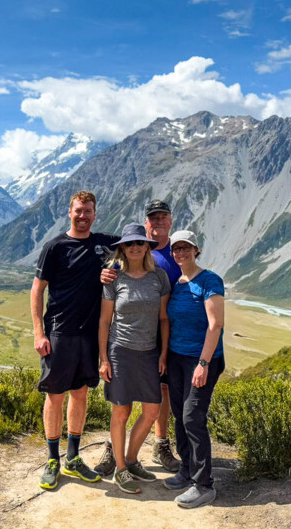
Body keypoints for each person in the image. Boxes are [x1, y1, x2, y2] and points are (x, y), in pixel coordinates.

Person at [31, 190, 120, 490]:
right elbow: (37, 290)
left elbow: (135, 251)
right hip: (59, 332)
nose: (83, 216)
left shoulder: (105, 244)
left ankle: (73, 457)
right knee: (55, 396)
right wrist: (38, 332)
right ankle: (52, 459)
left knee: (80, 393)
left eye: (88, 211)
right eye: (78, 211)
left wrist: (114, 272)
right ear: (69, 212)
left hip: (89, 335)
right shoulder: (54, 247)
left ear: (95, 214)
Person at [95, 200, 181, 476]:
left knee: (157, 399)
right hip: (124, 343)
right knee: (122, 407)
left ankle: (147, 450)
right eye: (153, 218)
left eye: (162, 217)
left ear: (170, 221)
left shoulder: (174, 255)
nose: (158, 222)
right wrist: (103, 358)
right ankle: (117, 457)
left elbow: (166, 315)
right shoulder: (116, 275)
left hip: (157, 341)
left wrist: (165, 352)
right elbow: (105, 319)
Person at [163, 230, 225, 509]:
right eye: (176, 248)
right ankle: (186, 470)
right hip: (177, 358)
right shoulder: (177, 282)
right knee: (179, 415)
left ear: (196, 250)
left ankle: (203, 485)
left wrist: (203, 363)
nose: (180, 253)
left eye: (186, 248)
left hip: (202, 360)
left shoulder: (210, 280)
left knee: (192, 418)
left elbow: (215, 324)